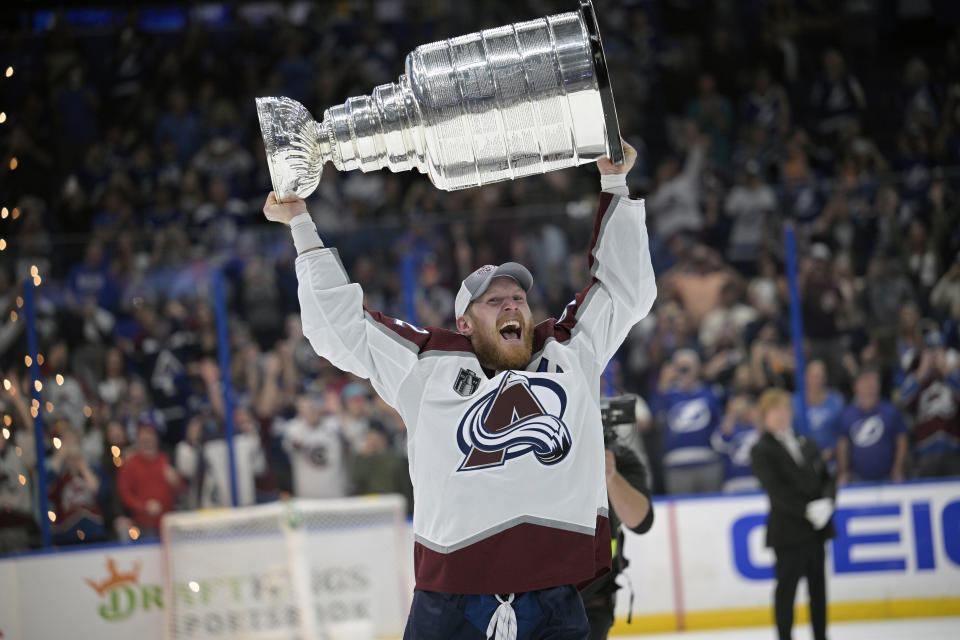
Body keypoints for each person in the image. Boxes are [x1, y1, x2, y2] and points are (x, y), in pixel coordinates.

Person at [262, 140, 655, 639]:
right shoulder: (426, 364)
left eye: (517, 297)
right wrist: (300, 223)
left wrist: (615, 183)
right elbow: (340, 330)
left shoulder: (568, 351)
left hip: (555, 595)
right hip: (450, 603)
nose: (512, 305)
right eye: (494, 301)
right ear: (465, 324)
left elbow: (625, 291)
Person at [751, 389, 835, 640]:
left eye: (785, 409)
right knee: (786, 591)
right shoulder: (761, 450)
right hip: (788, 532)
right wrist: (807, 510)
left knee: (818, 590)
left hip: (816, 531)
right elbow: (775, 489)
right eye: (775, 410)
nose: (781, 415)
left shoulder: (806, 442)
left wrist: (829, 502)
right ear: (764, 416)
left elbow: (827, 477)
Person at [581, 395, 654, 640]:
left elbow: (641, 521)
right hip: (538, 593)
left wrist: (610, 476)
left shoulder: (621, 458)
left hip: (593, 599)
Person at [651, 349, 724, 494]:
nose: (684, 372)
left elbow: (720, 420)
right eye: (680, 368)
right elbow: (656, 418)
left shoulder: (710, 393)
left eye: (688, 367)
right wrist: (663, 384)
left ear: (697, 369)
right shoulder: (667, 394)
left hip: (707, 461)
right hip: (676, 465)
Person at [836, 369, 909, 485]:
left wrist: (898, 468)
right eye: (865, 384)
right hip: (857, 478)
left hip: (888, 477)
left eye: (873, 384)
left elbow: (902, 440)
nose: (869, 387)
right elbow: (842, 445)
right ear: (856, 387)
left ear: (878, 387)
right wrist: (843, 472)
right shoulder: (847, 414)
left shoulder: (890, 411)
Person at [116, 422, 183, 537]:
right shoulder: (130, 465)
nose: (148, 443)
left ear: (156, 440)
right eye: (144, 441)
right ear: (137, 442)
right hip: (144, 525)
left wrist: (176, 482)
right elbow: (124, 494)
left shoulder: (166, 459)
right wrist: (144, 507)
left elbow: (182, 489)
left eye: (150, 439)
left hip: (169, 521)